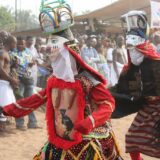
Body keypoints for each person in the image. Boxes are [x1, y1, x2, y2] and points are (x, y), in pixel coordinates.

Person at [0, 0, 123, 159]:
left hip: (88, 137)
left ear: (70, 53)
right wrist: (8, 109)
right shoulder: (54, 82)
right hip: (60, 138)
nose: (54, 60)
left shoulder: (87, 80)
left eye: (59, 57)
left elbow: (108, 103)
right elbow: (35, 99)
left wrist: (90, 122)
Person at [120, 10, 160, 160]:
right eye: (129, 49)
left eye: (135, 49)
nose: (133, 53)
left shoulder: (156, 62)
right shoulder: (133, 68)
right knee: (132, 139)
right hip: (148, 106)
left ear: (142, 47)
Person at [11, 36, 39, 130]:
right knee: (20, 102)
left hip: (29, 79)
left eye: (22, 44)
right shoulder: (12, 52)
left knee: (30, 101)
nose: (20, 45)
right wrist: (13, 65)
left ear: (25, 43)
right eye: (18, 44)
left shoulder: (29, 51)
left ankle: (32, 122)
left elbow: (31, 61)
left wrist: (32, 63)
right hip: (19, 80)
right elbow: (11, 66)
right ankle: (20, 123)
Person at [0, 32, 18, 132]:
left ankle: (2, 127)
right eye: (15, 43)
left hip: (5, 83)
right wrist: (11, 79)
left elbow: (6, 68)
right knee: (3, 106)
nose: (15, 45)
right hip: (2, 83)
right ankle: (1, 128)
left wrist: (14, 65)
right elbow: (0, 69)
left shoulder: (7, 53)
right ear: (11, 43)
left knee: (5, 106)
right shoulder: (2, 53)